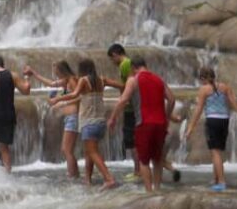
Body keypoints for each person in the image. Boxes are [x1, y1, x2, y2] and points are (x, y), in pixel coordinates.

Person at [108, 56, 175, 193]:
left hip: (144, 123)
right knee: (157, 159)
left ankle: (149, 191)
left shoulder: (133, 80)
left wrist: (113, 118)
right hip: (161, 124)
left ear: (133, 68)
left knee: (143, 160)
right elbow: (172, 99)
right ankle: (157, 189)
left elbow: (123, 100)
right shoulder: (159, 79)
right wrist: (167, 117)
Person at [52, 59, 117, 189]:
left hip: (89, 122)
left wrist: (59, 99)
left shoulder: (83, 80)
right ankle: (88, 180)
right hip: (101, 122)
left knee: (92, 152)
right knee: (89, 152)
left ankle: (109, 179)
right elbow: (121, 85)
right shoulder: (101, 80)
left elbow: (75, 94)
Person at [184, 67, 237, 191]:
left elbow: (198, 110)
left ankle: (222, 182)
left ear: (202, 78)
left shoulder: (204, 90)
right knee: (217, 152)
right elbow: (234, 103)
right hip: (224, 120)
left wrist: (190, 127)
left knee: (215, 152)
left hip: (213, 120)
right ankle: (216, 179)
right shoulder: (225, 87)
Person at [24, 61, 80, 178]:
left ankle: (72, 175)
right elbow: (50, 83)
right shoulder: (66, 81)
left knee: (66, 149)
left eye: (57, 72)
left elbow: (79, 97)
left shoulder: (73, 80)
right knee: (67, 150)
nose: (56, 75)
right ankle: (74, 174)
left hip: (73, 117)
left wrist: (61, 102)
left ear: (62, 71)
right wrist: (34, 73)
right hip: (69, 118)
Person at [104, 44, 139, 178]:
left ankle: (138, 171)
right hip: (132, 106)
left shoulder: (125, 64)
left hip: (131, 107)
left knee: (131, 140)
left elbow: (127, 86)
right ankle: (138, 170)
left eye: (111, 59)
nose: (112, 63)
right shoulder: (129, 63)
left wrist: (109, 83)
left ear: (115, 55)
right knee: (132, 140)